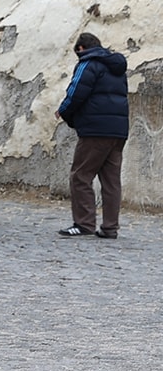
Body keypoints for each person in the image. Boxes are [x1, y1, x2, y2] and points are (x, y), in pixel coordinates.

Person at [57, 31, 129, 238]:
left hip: (95, 130)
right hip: (118, 131)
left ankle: (83, 224)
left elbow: (76, 92)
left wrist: (63, 112)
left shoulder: (88, 63)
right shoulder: (117, 67)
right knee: (111, 180)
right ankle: (110, 228)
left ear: (81, 49)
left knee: (80, 176)